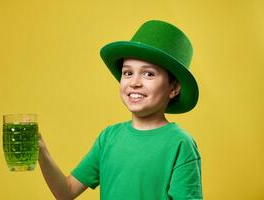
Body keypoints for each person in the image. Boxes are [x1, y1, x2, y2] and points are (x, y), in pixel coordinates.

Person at [38, 20, 203, 200]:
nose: (134, 82)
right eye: (128, 73)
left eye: (149, 74)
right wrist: (41, 152)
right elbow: (66, 192)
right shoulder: (108, 137)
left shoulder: (180, 143)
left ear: (174, 88)